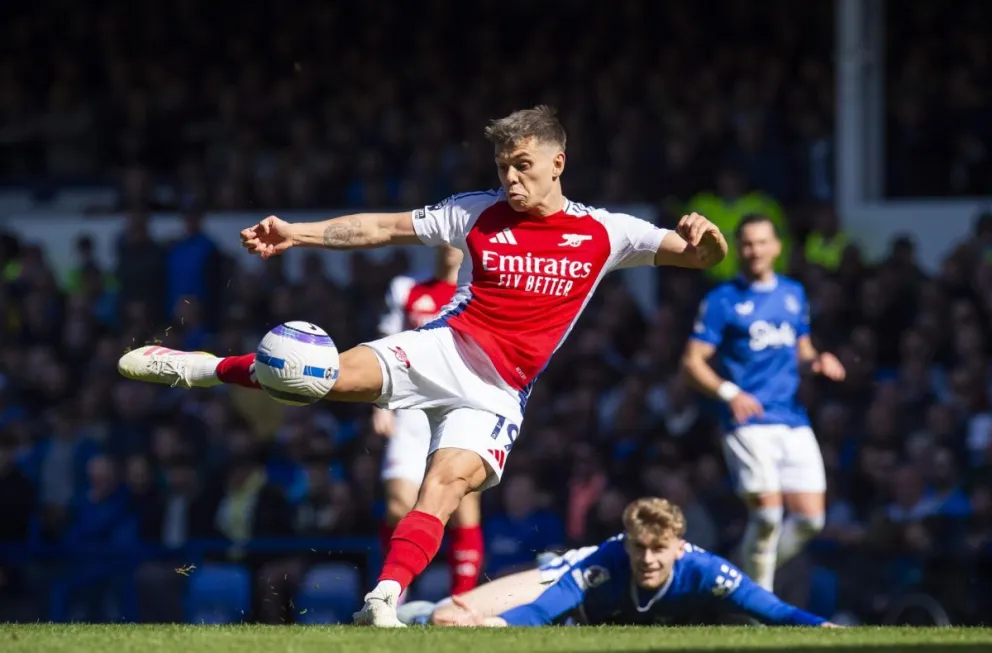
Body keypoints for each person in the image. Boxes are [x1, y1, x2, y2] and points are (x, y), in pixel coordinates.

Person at [117, 105, 728, 627]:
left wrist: (710, 238)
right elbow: (383, 227)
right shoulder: (477, 212)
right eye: (503, 168)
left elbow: (697, 257)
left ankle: (383, 598)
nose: (511, 180)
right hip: (442, 348)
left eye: (523, 166)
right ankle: (200, 368)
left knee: (443, 488)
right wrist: (296, 234)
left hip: (496, 394)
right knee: (317, 378)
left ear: (557, 163)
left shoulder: (606, 232)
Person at [681, 214, 845, 593]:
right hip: (748, 421)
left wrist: (818, 360)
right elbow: (692, 362)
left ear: (776, 247)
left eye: (761, 242)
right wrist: (730, 393)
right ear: (738, 249)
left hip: (791, 417)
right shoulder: (722, 300)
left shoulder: (793, 293)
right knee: (768, 515)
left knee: (809, 521)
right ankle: (759, 606)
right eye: (747, 244)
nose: (754, 251)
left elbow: (802, 350)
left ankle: (739, 577)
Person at [411, 497, 838, 627]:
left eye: (658, 550)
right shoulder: (605, 562)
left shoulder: (708, 572)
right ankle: (414, 612)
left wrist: (826, 629)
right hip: (560, 577)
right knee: (448, 620)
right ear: (628, 544)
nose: (648, 560)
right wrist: (502, 626)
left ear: (679, 547)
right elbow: (545, 606)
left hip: (589, 615)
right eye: (639, 548)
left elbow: (773, 610)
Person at [374, 244, 485, 597]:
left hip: (461, 406)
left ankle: (462, 601)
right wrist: (380, 405)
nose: (451, 245)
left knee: (462, 504)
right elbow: (386, 344)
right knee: (398, 505)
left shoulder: (480, 289)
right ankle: (394, 590)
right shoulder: (405, 288)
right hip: (411, 408)